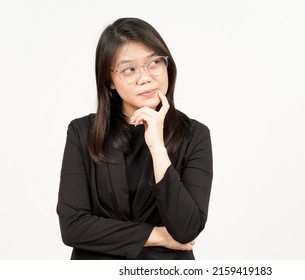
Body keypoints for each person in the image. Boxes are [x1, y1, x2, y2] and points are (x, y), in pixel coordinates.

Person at [57, 18, 213, 260]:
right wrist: (157, 235)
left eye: (154, 62)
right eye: (129, 69)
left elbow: (186, 229)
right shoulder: (82, 132)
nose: (145, 77)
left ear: (167, 65)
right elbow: (73, 227)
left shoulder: (195, 135)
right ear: (109, 80)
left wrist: (158, 148)